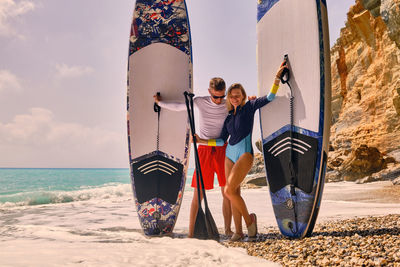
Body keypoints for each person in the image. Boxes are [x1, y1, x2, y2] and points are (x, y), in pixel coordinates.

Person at [195, 62, 287, 241]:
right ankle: (238, 231)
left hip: (245, 154)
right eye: (232, 96)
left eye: (238, 95)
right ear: (228, 98)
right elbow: (222, 140)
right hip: (229, 154)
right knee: (234, 193)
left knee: (228, 191)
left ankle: (249, 220)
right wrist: (202, 141)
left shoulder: (250, 107)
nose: (235, 98)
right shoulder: (228, 117)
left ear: (243, 96)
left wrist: (277, 78)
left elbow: (269, 97)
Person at [154, 77, 236, 238]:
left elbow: (243, 108)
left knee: (227, 192)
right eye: (216, 97)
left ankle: (228, 230)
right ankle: (191, 234)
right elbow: (179, 107)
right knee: (198, 193)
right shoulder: (200, 101)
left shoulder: (228, 104)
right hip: (204, 150)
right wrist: (160, 103)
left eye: (222, 96)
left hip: (222, 149)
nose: (219, 100)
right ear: (209, 92)